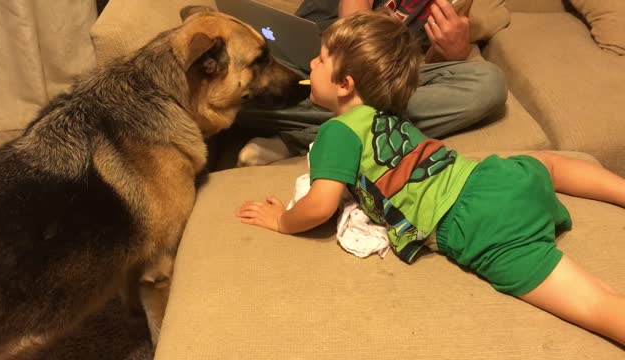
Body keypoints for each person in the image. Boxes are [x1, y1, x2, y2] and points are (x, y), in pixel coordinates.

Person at [235, 11, 625, 345]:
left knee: (596, 303)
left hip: (474, 224)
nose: (312, 64)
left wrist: (281, 221)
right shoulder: (389, 115)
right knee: (551, 165)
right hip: (491, 177)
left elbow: (321, 205)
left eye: (320, 59)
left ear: (345, 84)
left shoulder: (336, 133)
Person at [235, 0, 507, 167]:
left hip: (380, 86)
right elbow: (342, 40)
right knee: (224, 94)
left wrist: (452, 52)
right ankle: (327, 132)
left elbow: (416, 73)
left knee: (488, 84)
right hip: (302, 65)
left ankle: (298, 138)